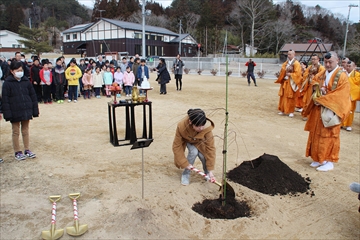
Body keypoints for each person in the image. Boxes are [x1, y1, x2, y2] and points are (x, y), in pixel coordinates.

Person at [302, 51, 351, 172]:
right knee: (316, 133)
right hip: (318, 110)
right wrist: (318, 89)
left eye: (330, 62)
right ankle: (318, 158)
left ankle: (329, 161)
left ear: (337, 61)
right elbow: (314, 82)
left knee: (329, 135)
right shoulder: (322, 73)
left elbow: (341, 96)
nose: (328, 64)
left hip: (331, 110)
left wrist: (323, 98)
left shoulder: (342, 76)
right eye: (326, 62)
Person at [2, 60, 39, 161]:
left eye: (21, 70)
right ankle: (17, 151)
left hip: (25, 109)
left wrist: (34, 109)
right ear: (12, 71)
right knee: (16, 131)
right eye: (17, 70)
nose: (20, 72)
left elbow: (32, 95)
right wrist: (7, 113)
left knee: (25, 130)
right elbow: (5, 100)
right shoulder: (7, 83)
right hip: (14, 111)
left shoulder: (26, 81)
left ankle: (27, 149)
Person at [172, 109, 216, 185]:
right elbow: (177, 146)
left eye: (202, 125)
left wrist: (210, 170)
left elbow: (210, 148)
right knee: (193, 152)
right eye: (198, 126)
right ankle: (186, 174)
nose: (201, 128)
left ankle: (207, 173)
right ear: (190, 122)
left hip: (200, 141)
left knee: (203, 156)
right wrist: (184, 163)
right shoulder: (182, 126)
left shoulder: (207, 128)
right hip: (188, 139)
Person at [274, 50, 302, 118]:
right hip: (285, 81)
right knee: (283, 96)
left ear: (294, 54)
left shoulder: (296, 63)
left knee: (291, 97)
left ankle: (291, 111)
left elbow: (298, 74)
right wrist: (283, 71)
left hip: (291, 82)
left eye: (290, 54)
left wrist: (291, 74)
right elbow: (282, 71)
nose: (288, 56)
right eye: (288, 54)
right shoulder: (286, 63)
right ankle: (282, 110)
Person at [301, 54, 325, 120]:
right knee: (307, 101)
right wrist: (309, 77)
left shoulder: (321, 68)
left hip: (316, 88)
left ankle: (312, 116)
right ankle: (306, 114)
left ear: (318, 59)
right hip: (309, 86)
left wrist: (314, 79)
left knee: (314, 102)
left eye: (315, 59)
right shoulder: (310, 67)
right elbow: (305, 75)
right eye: (312, 59)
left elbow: (322, 78)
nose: (313, 60)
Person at [342, 61, 360, 131]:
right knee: (342, 109)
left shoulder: (357, 74)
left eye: (350, 66)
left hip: (351, 95)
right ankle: (342, 124)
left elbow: (357, 84)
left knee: (350, 110)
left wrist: (347, 78)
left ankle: (348, 125)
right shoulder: (343, 73)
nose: (348, 67)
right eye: (347, 66)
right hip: (343, 94)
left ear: (353, 67)